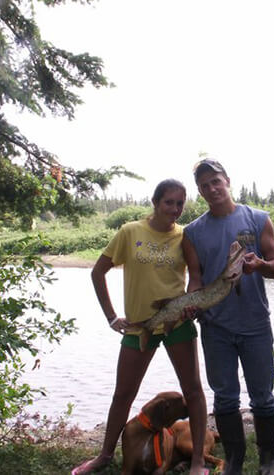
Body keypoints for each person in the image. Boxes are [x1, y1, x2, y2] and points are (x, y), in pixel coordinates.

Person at [71, 179, 208, 475]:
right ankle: (104, 456)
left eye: (180, 203)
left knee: (193, 391)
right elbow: (98, 273)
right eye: (169, 202)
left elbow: (195, 275)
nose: (174, 209)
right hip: (138, 326)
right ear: (155, 202)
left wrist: (191, 301)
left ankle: (197, 461)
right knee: (123, 394)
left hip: (177, 324)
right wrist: (111, 317)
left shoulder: (184, 237)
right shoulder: (130, 231)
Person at [182, 158, 274, 475]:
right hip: (215, 327)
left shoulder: (258, 218)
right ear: (200, 191)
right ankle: (235, 460)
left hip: (255, 325)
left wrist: (259, 266)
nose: (212, 188)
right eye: (204, 185)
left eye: (216, 181)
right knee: (224, 399)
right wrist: (191, 301)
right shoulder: (193, 232)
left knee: (263, 398)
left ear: (227, 180)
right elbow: (195, 279)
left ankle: (268, 460)